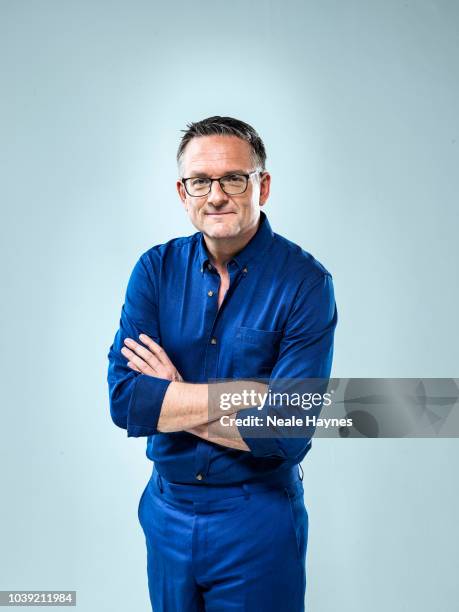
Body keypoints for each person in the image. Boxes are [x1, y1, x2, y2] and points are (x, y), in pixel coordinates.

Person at [107, 116, 338, 611]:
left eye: (234, 178)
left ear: (263, 185)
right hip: (165, 512)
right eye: (200, 181)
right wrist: (251, 397)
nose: (216, 195)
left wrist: (171, 393)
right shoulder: (155, 271)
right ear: (182, 191)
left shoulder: (305, 284)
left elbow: (288, 430)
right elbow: (127, 401)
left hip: (256, 518)